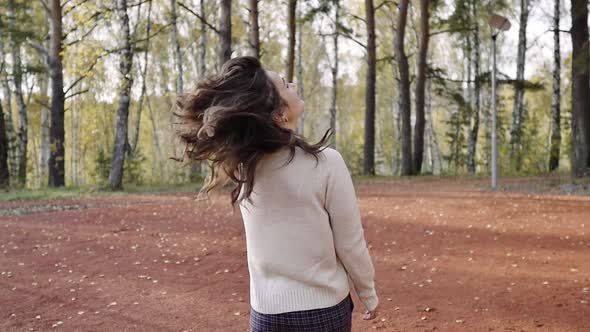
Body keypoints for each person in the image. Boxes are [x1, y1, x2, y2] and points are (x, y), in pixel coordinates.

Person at [174, 56, 379, 331]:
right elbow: (350, 244)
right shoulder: (326, 163)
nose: (293, 84)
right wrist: (368, 293)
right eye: (286, 85)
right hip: (323, 312)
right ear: (279, 114)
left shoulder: (245, 169)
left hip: (265, 316)